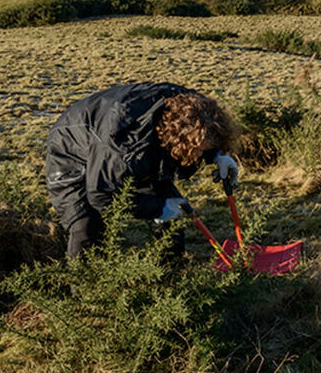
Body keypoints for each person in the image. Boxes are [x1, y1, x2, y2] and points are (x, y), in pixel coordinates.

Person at [45, 82, 240, 258]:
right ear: (180, 140)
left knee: (173, 209)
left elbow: (202, 127)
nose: (201, 154)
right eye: (201, 150)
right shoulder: (125, 149)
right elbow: (100, 194)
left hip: (124, 137)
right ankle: (84, 292)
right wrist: (157, 208)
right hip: (71, 147)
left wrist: (219, 154)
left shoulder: (188, 106)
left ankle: (171, 277)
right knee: (86, 225)